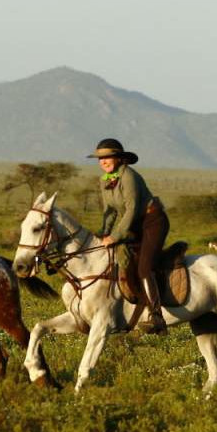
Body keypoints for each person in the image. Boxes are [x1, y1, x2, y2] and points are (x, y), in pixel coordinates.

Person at [91, 138, 171, 335]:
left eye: (107, 157)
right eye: (100, 159)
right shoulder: (105, 180)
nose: (103, 162)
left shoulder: (129, 176)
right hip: (133, 224)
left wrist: (115, 236)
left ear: (119, 158)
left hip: (152, 222)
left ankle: (156, 317)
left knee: (144, 267)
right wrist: (103, 233)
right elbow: (109, 211)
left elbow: (132, 209)